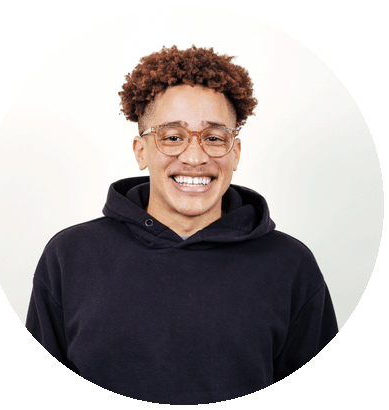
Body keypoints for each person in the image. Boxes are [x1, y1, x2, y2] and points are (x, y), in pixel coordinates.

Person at [26, 45, 338, 405]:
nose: (194, 157)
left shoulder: (290, 265)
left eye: (214, 138)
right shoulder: (70, 257)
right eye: (172, 137)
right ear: (140, 151)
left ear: (235, 152)